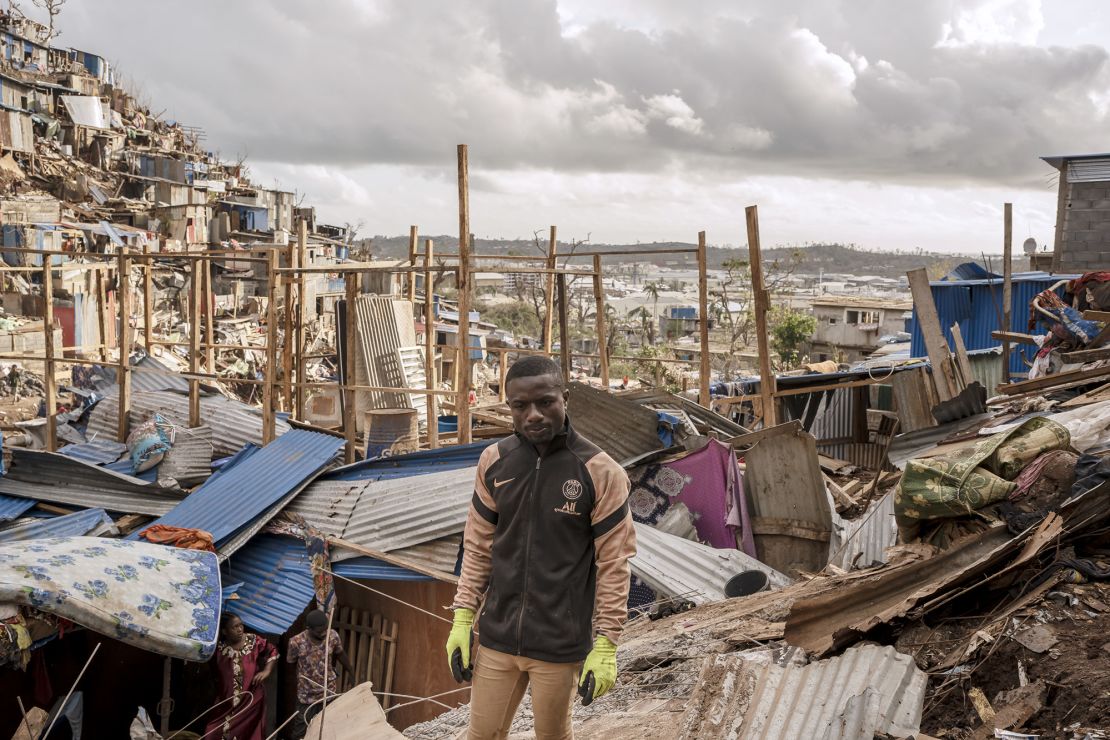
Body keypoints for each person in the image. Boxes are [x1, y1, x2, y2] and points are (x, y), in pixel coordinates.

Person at [446, 355, 637, 739]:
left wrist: (606, 644)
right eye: (520, 406)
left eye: (545, 401)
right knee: (482, 735)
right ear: (509, 407)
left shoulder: (601, 472)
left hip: (560, 644)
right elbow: (478, 546)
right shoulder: (494, 462)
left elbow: (614, 563)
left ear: (565, 397)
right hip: (499, 638)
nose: (533, 414)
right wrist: (463, 617)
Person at [205, 612, 279, 740]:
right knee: (212, 732)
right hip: (226, 703)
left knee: (248, 734)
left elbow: (272, 651)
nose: (240, 629)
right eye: (235, 627)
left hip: (251, 700)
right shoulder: (217, 649)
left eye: (241, 625)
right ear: (224, 631)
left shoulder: (253, 641)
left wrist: (266, 671)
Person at [286, 609, 354, 739]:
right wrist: (300, 681)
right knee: (301, 729)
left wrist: (350, 671)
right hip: (306, 695)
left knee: (328, 728)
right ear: (308, 628)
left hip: (328, 692)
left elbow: (340, 654)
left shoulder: (332, 636)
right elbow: (291, 664)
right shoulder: (296, 642)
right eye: (319, 631)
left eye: (325, 629)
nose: (324, 633)